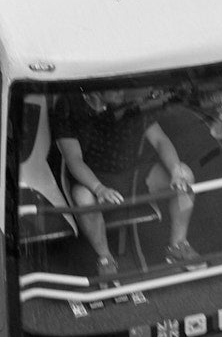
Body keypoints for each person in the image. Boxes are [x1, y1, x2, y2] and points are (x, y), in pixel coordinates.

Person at [54, 88, 198, 284]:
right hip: (93, 180)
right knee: (82, 197)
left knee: (186, 174)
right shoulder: (68, 105)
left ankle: (177, 247)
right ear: (95, 91)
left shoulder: (132, 100)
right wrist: (99, 189)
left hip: (135, 175)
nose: (122, 90)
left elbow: (159, 140)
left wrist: (175, 171)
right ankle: (106, 259)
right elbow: (74, 160)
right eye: (115, 88)